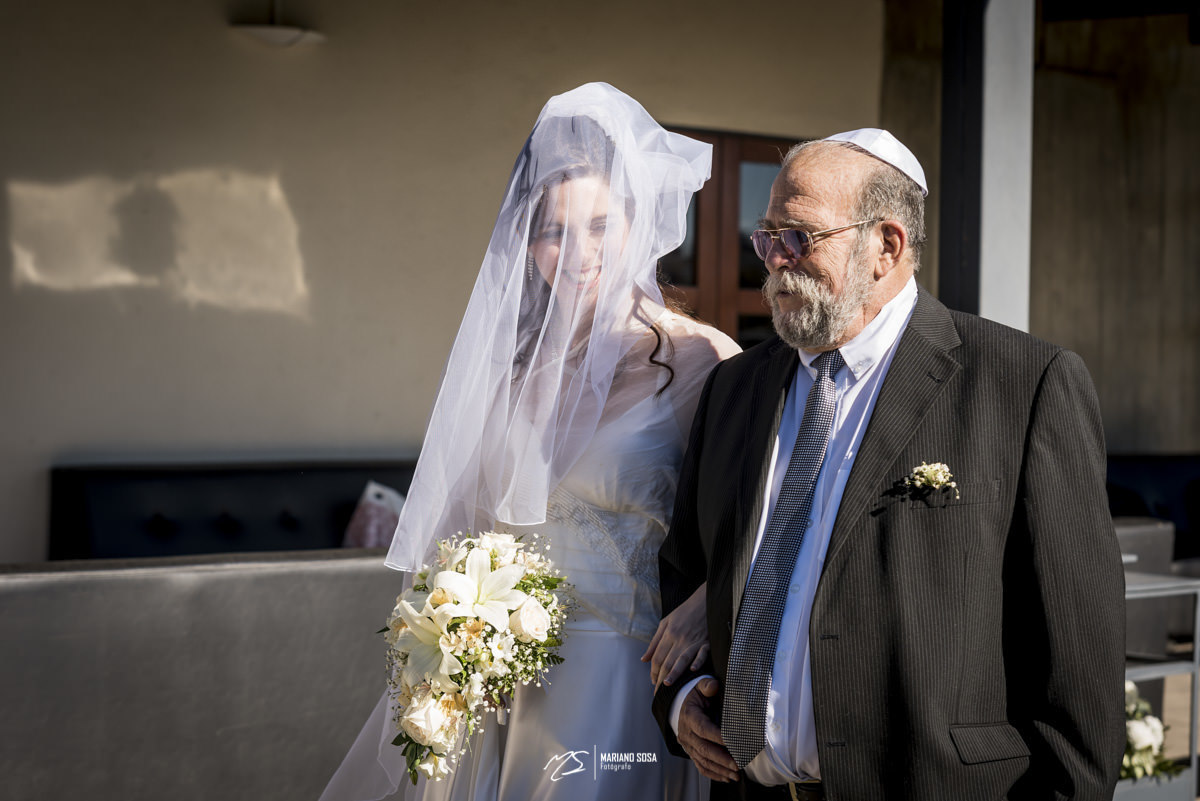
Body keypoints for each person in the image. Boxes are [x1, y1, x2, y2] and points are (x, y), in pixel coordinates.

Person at [652, 128, 1126, 800]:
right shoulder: (736, 388)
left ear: (887, 244)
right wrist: (685, 696)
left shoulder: (1022, 384)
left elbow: (1078, 663)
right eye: (767, 237)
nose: (775, 263)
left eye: (800, 237)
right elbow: (688, 570)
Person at [320, 82, 739, 801]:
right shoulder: (516, 373)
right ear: (527, 239)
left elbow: (760, 520)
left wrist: (710, 599)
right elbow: (468, 528)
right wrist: (455, 629)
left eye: (602, 224)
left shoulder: (703, 361)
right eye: (554, 230)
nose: (579, 252)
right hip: (509, 691)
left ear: (639, 226)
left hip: (627, 684)